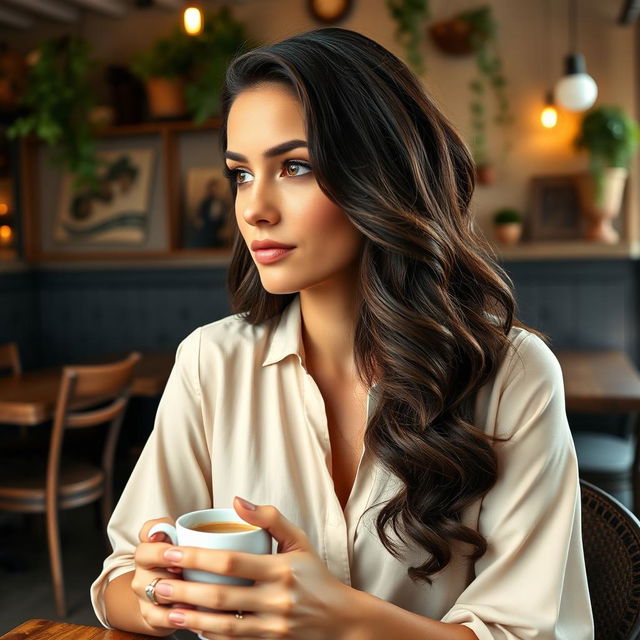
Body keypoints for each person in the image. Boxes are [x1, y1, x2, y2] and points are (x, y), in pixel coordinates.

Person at [91, 28, 594, 639]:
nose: (254, 209)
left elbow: (533, 632)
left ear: (379, 176)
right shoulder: (210, 361)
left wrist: (340, 616)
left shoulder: (512, 376)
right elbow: (120, 577)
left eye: (295, 166)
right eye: (241, 174)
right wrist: (157, 595)